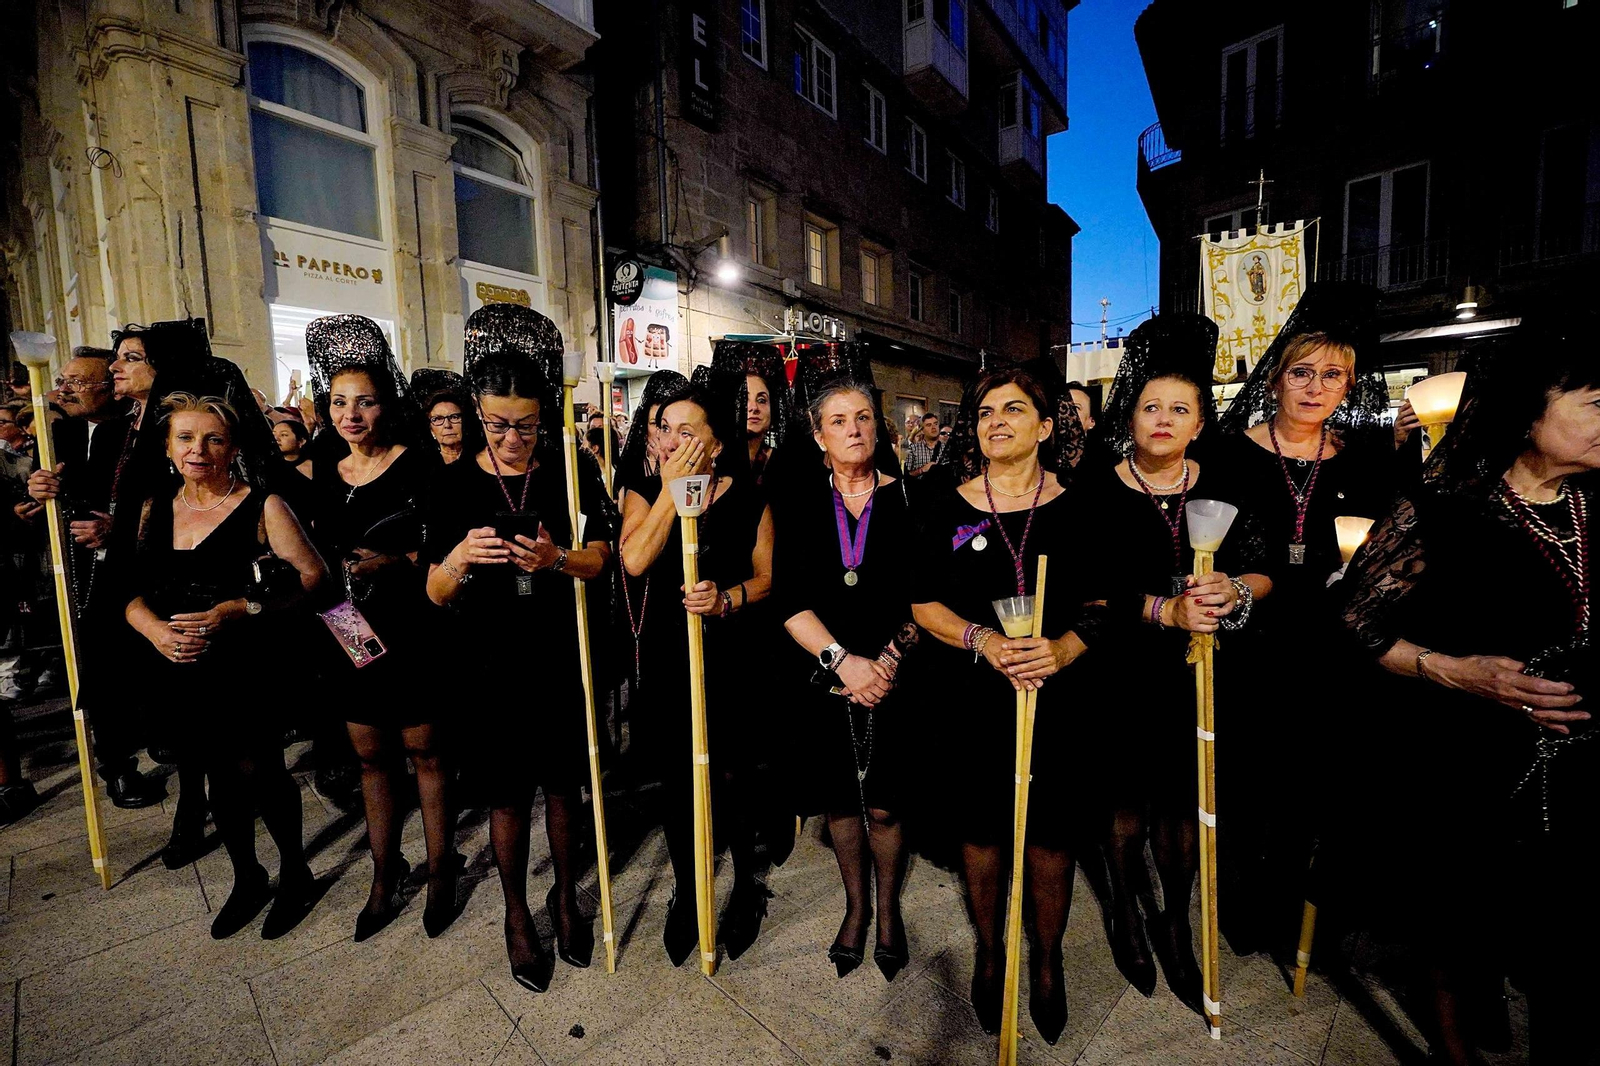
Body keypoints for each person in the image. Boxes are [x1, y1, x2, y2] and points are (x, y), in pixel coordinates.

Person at [1341, 311, 1598, 1064]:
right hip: (1472, 762)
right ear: (1527, 413)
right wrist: (1460, 671)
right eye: (1592, 403)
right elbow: (1358, 626)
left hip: (1584, 765)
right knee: (1458, 927)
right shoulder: (1441, 512)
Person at [1078, 315, 1272, 1011]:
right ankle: (1127, 910)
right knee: (1127, 802)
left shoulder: (1223, 481)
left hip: (1202, 672)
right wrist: (1163, 611)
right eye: (1150, 406)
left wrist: (1235, 590)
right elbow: (1087, 588)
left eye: (1179, 409)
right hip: (1124, 672)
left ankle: (1175, 919)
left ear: (1198, 423)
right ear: (1131, 416)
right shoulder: (1097, 488)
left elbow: (1264, 566)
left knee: (1186, 809)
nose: (1163, 419)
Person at [1209, 282, 1408, 955]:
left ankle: (1289, 901)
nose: (1315, 386)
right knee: (1245, 786)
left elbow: (1395, 550)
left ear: (1350, 385)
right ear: (1275, 378)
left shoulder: (1369, 463)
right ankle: (1240, 900)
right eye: (1302, 372)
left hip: (1330, 653)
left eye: (1332, 374)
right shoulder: (1227, 453)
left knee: (1308, 789)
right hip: (1250, 650)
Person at [424, 303, 616, 992]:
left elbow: (603, 559)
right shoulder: (450, 484)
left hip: (559, 653)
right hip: (488, 661)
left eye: (528, 425)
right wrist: (459, 559)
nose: (514, 438)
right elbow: (433, 593)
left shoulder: (571, 467)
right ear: (479, 414)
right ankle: (514, 914)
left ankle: (566, 898)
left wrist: (555, 558)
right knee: (506, 798)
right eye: (500, 425)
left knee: (565, 787)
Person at [910, 366, 1098, 1044]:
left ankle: (1046, 962)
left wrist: (1064, 649)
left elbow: (1105, 603)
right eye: (986, 410)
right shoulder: (944, 503)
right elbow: (923, 601)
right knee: (982, 832)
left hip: (1058, 693)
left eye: (1015, 410)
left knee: (1051, 837)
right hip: (973, 696)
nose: (997, 421)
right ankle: (991, 952)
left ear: (1046, 427)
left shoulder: (1080, 504)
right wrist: (981, 638)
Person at [122, 391, 328, 938]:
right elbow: (126, 592)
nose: (198, 449)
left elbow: (313, 580)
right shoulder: (153, 507)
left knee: (261, 771)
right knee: (214, 777)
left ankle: (295, 875)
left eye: (213, 438)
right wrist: (154, 630)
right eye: (185, 438)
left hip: (246, 662)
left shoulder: (263, 506)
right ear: (167, 447)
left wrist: (239, 609)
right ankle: (247, 878)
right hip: (179, 663)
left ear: (233, 446)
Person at [302, 314, 455, 942]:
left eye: (364, 402)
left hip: (411, 620)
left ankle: (442, 867)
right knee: (371, 755)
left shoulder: (419, 465)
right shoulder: (321, 471)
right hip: (347, 623)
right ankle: (385, 871)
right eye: (339, 402)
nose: (351, 414)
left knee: (426, 750)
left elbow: (446, 550)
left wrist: (395, 560)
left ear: (386, 404)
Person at [619, 370, 776, 965]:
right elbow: (634, 560)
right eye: (665, 428)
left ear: (714, 441)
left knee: (733, 778)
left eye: (689, 430)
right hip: (668, 652)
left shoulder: (750, 495)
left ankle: (745, 884)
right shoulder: (644, 486)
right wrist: (669, 490)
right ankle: (688, 892)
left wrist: (728, 597)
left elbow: (768, 579)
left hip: (732, 654)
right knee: (679, 781)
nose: (672, 437)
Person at [776, 377, 917, 980]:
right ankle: (855, 908)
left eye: (863, 417)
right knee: (839, 801)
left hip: (898, 673)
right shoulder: (802, 506)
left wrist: (886, 659)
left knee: (885, 805)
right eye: (838, 421)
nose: (854, 429)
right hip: (826, 674)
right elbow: (788, 599)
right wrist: (843, 661)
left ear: (879, 428)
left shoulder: (913, 499)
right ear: (818, 435)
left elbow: (927, 598)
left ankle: (889, 910)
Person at [22, 338, 165, 810]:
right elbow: (39, 498)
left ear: (112, 388)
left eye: (79, 381)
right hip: (77, 569)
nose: (66, 389)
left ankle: (162, 734)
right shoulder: (56, 434)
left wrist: (119, 527)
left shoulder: (141, 429)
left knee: (142, 661)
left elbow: (160, 499)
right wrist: (39, 486)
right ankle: (118, 768)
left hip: (138, 566)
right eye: (63, 380)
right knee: (96, 667)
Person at [905, 412, 941, 477]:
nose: (933, 427)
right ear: (922, 430)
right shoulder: (913, 449)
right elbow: (906, 475)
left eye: (935, 424)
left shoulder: (947, 448)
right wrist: (922, 470)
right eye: (929, 425)